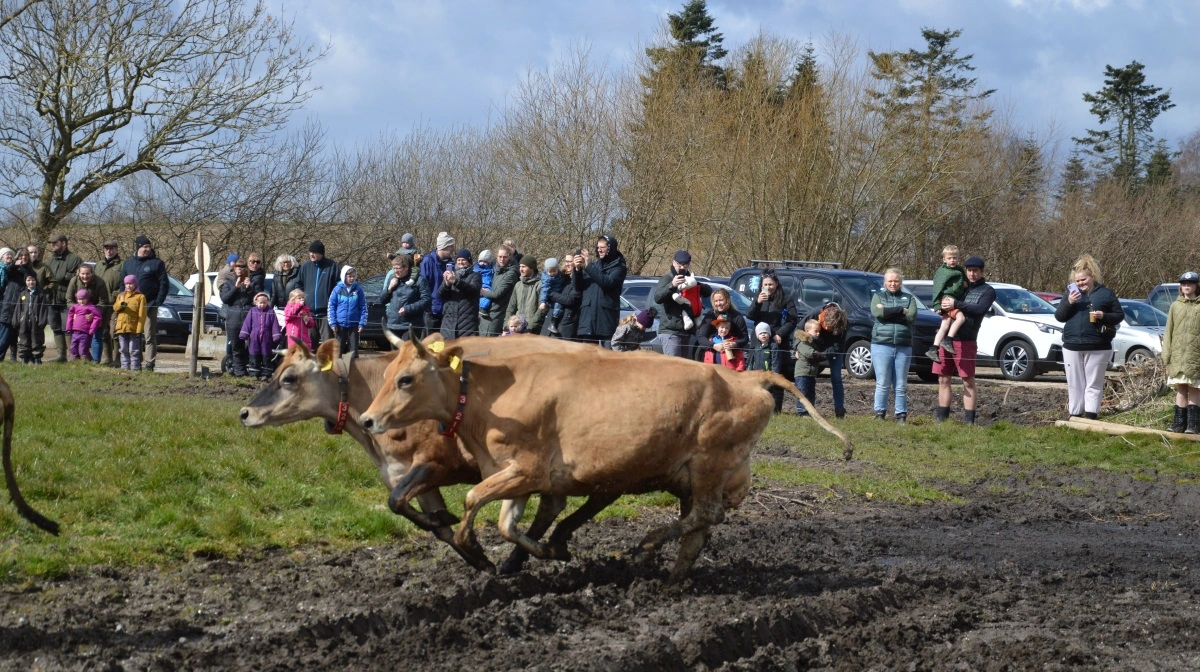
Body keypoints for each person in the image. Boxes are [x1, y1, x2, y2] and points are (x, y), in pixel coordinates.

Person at [1053, 254, 1123, 420]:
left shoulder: (1106, 293)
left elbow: (1119, 315)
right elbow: (1059, 316)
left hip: (1098, 344)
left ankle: (1091, 416)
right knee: (1075, 384)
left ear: (1092, 276)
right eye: (1077, 281)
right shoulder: (1071, 293)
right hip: (1072, 345)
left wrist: (1103, 316)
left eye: (1083, 280)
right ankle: (1075, 415)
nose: (1080, 284)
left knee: (1094, 383)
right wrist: (1069, 302)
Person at [933, 256, 996, 425]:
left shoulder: (987, 291)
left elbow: (980, 309)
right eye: (969, 270)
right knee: (943, 378)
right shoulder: (960, 286)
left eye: (975, 271)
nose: (972, 274)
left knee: (967, 381)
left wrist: (956, 304)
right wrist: (942, 306)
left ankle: (969, 422)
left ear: (982, 272)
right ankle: (942, 420)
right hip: (946, 338)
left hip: (966, 341)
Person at [870, 268, 918, 423]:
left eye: (896, 281)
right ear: (885, 282)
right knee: (883, 382)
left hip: (903, 345)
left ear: (901, 282)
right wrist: (900, 310)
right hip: (881, 344)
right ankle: (879, 413)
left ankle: (901, 415)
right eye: (890, 281)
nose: (893, 284)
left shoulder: (909, 298)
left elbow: (911, 317)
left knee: (900, 383)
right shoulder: (878, 296)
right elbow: (877, 314)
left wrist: (887, 311)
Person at [747, 269, 797, 410]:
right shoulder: (758, 298)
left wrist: (780, 333)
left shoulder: (786, 299)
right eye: (765, 284)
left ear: (776, 284)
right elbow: (749, 316)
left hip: (777, 340)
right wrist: (757, 303)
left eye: (771, 284)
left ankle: (776, 409)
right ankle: (757, 406)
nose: (768, 287)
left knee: (776, 375)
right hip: (759, 341)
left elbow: (792, 320)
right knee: (757, 374)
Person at [121, 235, 169, 371]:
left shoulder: (157, 263)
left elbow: (164, 284)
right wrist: (122, 299)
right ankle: (135, 362)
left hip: (150, 304)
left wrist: (157, 302)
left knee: (149, 335)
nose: (148, 249)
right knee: (133, 334)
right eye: (145, 246)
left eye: (149, 246)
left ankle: (149, 363)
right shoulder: (128, 263)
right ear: (138, 247)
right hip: (131, 306)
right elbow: (121, 284)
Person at [654, 249, 711, 358]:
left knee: (683, 368)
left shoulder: (690, 279)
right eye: (679, 264)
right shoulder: (667, 279)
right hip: (670, 331)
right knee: (673, 367)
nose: (681, 267)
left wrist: (695, 284)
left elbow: (708, 291)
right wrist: (672, 285)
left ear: (688, 265)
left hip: (686, 332)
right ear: (673, 262)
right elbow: (657, 298)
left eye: (685, 265)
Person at [573, 235, 627, 347]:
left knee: (607, 358)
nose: (599, 249)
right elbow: (578, 287)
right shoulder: (592, 266)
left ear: (610, 248)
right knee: (588, 358)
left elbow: (607, 282)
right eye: (598, 247)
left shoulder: (619, 267)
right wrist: (577, 270)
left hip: (606, 319)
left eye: (602, 247)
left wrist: (587, 266)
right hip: (588, 319)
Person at [1164, 271, 1200, 434]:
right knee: (1180, 389)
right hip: (1178, 356)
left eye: (1190, 284)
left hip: (1195, 356)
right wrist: (1167, 354)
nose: (1187, 286)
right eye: (1184, 284)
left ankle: (1193, 425)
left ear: (1196, 286)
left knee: (1194, 389)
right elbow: (1168, 331)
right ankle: (1179, 424)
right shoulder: (1175, 306)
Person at [801, 301, 849, 419]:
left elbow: (837, 346)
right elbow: (799, 329)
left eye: (830, 328)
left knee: (836, 378)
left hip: (833, 350)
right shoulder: (815, 313)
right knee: (807, 376)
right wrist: (798, 348)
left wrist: (822, 355)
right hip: (814, 347)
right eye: (825, 325)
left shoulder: (843, 323)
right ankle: (805, 409)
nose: (826, 328)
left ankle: (839, 409)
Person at [43, 234, 82, 362]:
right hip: (51, 299)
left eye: (55, 242)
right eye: (51, 243)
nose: (52, 245)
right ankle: (61, 355)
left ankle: (73, 356)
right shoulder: (50, 260)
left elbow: (80, 278)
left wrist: (65, 276)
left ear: (64, 243)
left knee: (67, 327)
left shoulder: (74, 259)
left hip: (66, 300)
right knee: (55, 327)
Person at [926, 245, 969, 364]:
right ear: (944, 259)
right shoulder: (942, 271)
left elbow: (965, 281)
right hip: (947, 298)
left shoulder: (959, 270)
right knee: (960, 318)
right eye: (949, 258)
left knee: (944, 325)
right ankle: (948, 340)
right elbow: (937, 288)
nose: (952, 260)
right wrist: (936, 305)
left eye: (955, 258)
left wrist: (965, 284)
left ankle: (933, 348)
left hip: (955, 298)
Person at [294, 240, 340, 348]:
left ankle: (329, 365)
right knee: (309, 345)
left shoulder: (332, 266)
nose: (311, 254)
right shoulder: (305, 266)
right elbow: (298, 284)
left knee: (327, 346)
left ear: (321, 253)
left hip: (326, 314)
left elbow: (339, 286)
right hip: (308, 313)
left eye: (314, 252)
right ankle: (311, 365)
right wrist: (300, 298)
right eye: (310, 252)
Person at [378, 253, 431, 344]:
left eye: (398, 268)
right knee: (395, 355)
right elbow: (381, 301)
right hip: (393, 324)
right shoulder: (393, 279)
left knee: (407, 355)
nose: (395, 271)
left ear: (406, 267)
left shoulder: (419, 280)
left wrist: (408, 309)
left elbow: (426, 300)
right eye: (393, 268)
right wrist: (389, 288)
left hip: (411, 325)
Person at [219, 259, 256, 377]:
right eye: (238, 268)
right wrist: (236, 287)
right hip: (233, 317)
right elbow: (225, 299)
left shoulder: (251, 283)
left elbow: (257, 299)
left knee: (252, 344)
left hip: (249, 316)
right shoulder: (228, 283)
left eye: (243, 268)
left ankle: (252, 370)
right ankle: (239, 372)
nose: (240, 270)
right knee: (236, 345)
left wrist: (249, 288)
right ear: (234, 269)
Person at [66, 265, 111, 363]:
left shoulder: (100, 282)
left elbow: (103, 301)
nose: (85, 276)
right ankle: (77, 359)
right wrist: (75, 311)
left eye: (87, 274)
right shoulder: (74, 281)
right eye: (82, 273)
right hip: (78, 315)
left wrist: (93, 314)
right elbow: (69, 299)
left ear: (92, 273)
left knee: (96, 336)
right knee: (77, 338)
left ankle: (95, 360)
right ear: (79, 273)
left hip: (97, 313)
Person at [697, 288, 749, 364]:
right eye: (716, 301)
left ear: (727, 300)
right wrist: (713, 346)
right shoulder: (710, 316)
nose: (718, 303)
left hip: (732, 359)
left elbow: (744, 338)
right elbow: (701, 337)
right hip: (714, 358)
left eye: (721, 300)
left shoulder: (737, 316)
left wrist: (734, 344)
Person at [419, 232, 456, 337]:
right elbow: (422, 287)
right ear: (444, 246)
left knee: (440, 346)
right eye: (451, 246)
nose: (453, 248)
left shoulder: (451, 264)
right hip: (431, 312)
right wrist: (427, 308)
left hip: (446, 313)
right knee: (428, 344)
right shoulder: (427, 262)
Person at [438, 249, 482, 339]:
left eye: (463, 260)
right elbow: (441, 295)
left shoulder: (475, 276)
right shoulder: (451, 274)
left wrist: (456, 281)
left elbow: (473, 290)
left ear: (469, 261)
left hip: (467, 323)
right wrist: (447, 284)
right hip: (448, 322)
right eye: (458, 260)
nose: (461, 262)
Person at [240, 292, 282, 380]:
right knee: (254, 354)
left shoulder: (270, 311)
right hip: (254, 336)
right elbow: (247, 323)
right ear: (256, 302)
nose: (263, 304)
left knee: (266, 355)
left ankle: (266, 374)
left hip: (266, 337)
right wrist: (244, 333)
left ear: (267, 302)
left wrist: (276, 335)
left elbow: (275, 324)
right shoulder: (252, 311)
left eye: (265, 303)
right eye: (260, 303)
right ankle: (254, 373)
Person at [0, 249, 33, 362]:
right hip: (9, 304)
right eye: (21, 255)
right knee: (5, 332)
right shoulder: (12, 268)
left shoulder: (30, 271)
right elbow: (8, 270)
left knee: (14, 334)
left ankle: (15, 357)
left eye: (26, 255)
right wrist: (15, 264)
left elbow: (30, 278)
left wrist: (23, 268)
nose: (23, 257)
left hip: (22, 305)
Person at [328, 265, 367, 360]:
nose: (352, 278)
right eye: (349, 276)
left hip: (354, 325)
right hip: (340, 325)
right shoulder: (337, 289)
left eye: (353, 276)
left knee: (354, 352)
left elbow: (363, 307)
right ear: (344, 276)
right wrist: (332, 323)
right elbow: (331, 306)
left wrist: (362, 323)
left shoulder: (358, 290)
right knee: (337, 351)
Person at [745, 322, 786, 411]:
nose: (763, 335)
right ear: (757, 336)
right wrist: (749, 371)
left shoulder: (773, 346)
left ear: (769, 334)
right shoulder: (756, 347)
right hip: (757, 376)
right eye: (760, 333)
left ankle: (773, 411)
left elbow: (776, 361)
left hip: (768, 375)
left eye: (765, 332)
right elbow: (752, 361)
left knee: (770, 393)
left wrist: (774, 374)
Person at [479, 245, 518, 337]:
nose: (502, 259)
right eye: (500, 257)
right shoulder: (494, 269)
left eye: (505, 257)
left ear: (509, 257)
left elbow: (498, 293)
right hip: (486, 310)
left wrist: (482, 292)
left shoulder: (511, 273)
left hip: (496, 313)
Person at [97, 240, 124, 366]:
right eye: (106, 248)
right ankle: (107, 358)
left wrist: (115, 295)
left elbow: (125, 285)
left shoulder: (122, 265)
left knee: (115, 332)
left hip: (115, 304)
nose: (109, 250)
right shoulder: (98, 265)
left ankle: (117, 359)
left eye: (112, 248)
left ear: (116, 249)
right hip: (100, 304)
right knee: (103, 332)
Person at [112, 275, 147, 371]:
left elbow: (142, 314)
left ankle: (135, 368)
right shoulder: (121, 295)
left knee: (134, 350)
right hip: (121, 327)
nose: (128, 286)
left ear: (135, 284)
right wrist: (121, 302)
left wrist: (139, 329)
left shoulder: (140, 297)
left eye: (130, 283)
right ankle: (124, 368)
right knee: (123, 349)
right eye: (126, 284)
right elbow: (115, 308)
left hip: (133, 327)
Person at [15, 273, 50, 364]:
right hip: (24, 321)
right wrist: (17, 319)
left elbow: (43, 309)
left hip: (36, 321)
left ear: (36, 281)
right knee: (23, 337)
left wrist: (42, 321)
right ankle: (24, 357)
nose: (31, 282)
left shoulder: (40, 294)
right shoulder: (22, 294)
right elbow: (18, 308)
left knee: (36, 338)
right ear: (25, 282)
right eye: (28, 280)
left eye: (33, 280)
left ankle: (37, 357)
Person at [792, 320, 825, 415]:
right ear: (807, 331)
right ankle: (802, 410)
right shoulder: (804, 342)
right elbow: (810, 353)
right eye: (816, 331)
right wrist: (822, 355)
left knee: (811, 392)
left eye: (819, 331)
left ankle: (810, 410)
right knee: (802, 392)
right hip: (802, 372)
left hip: (811, 372)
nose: (818, 333)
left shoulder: (813, 342)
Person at [507, 255, 544, 335]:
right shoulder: (518, 285)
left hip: (532, 330)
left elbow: (541, 309)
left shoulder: (540, 285)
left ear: (532, 268)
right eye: (520, 266)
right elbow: (511, 307)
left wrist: (531, 327)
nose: (521, 269)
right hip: (516, 327)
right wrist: (506, 327)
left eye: (524, 267)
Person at [548, 254, 581, 341]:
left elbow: (570, 300)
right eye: (566, 261)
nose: (567, 264)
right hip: (553, 320)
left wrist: (551, 294)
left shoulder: (578, 280)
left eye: (570, 261)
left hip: (567, 322)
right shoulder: (561, 277)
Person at [66, 289, 103, 361]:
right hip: (75, 332)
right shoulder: (75, 307)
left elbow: (98, 317)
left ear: (87, 298)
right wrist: (68, 327)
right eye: (79, 299)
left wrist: (92, 329)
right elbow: (70, 316)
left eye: (83, 299)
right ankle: (74, 363)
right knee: (73, 349)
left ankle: (86, 362)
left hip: (85, 333)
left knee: (83, 350)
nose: (81, 301)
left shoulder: (91, 307)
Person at [539, 258, 564, 336]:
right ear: (546, 271)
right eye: (550, 271)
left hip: (559, 293)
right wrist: (543, 301)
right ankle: (553, 322)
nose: (552, 273)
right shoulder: (547, 279)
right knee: (558, 306)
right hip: (553, 297)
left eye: (554, 271)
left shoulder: (560, 275)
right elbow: (545, 290)